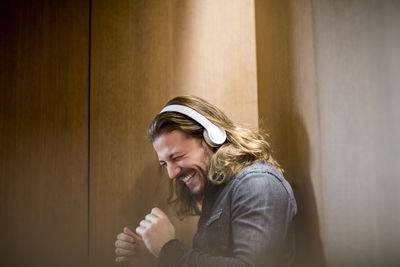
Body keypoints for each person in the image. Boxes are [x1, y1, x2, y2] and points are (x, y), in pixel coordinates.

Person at [114, 96, 297, 267]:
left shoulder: (258, 183)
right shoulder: (221, 191)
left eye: (177, 157)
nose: (171, 174)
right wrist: (156, 257)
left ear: (211, 137)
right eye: (164, 164)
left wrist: (168, 249)